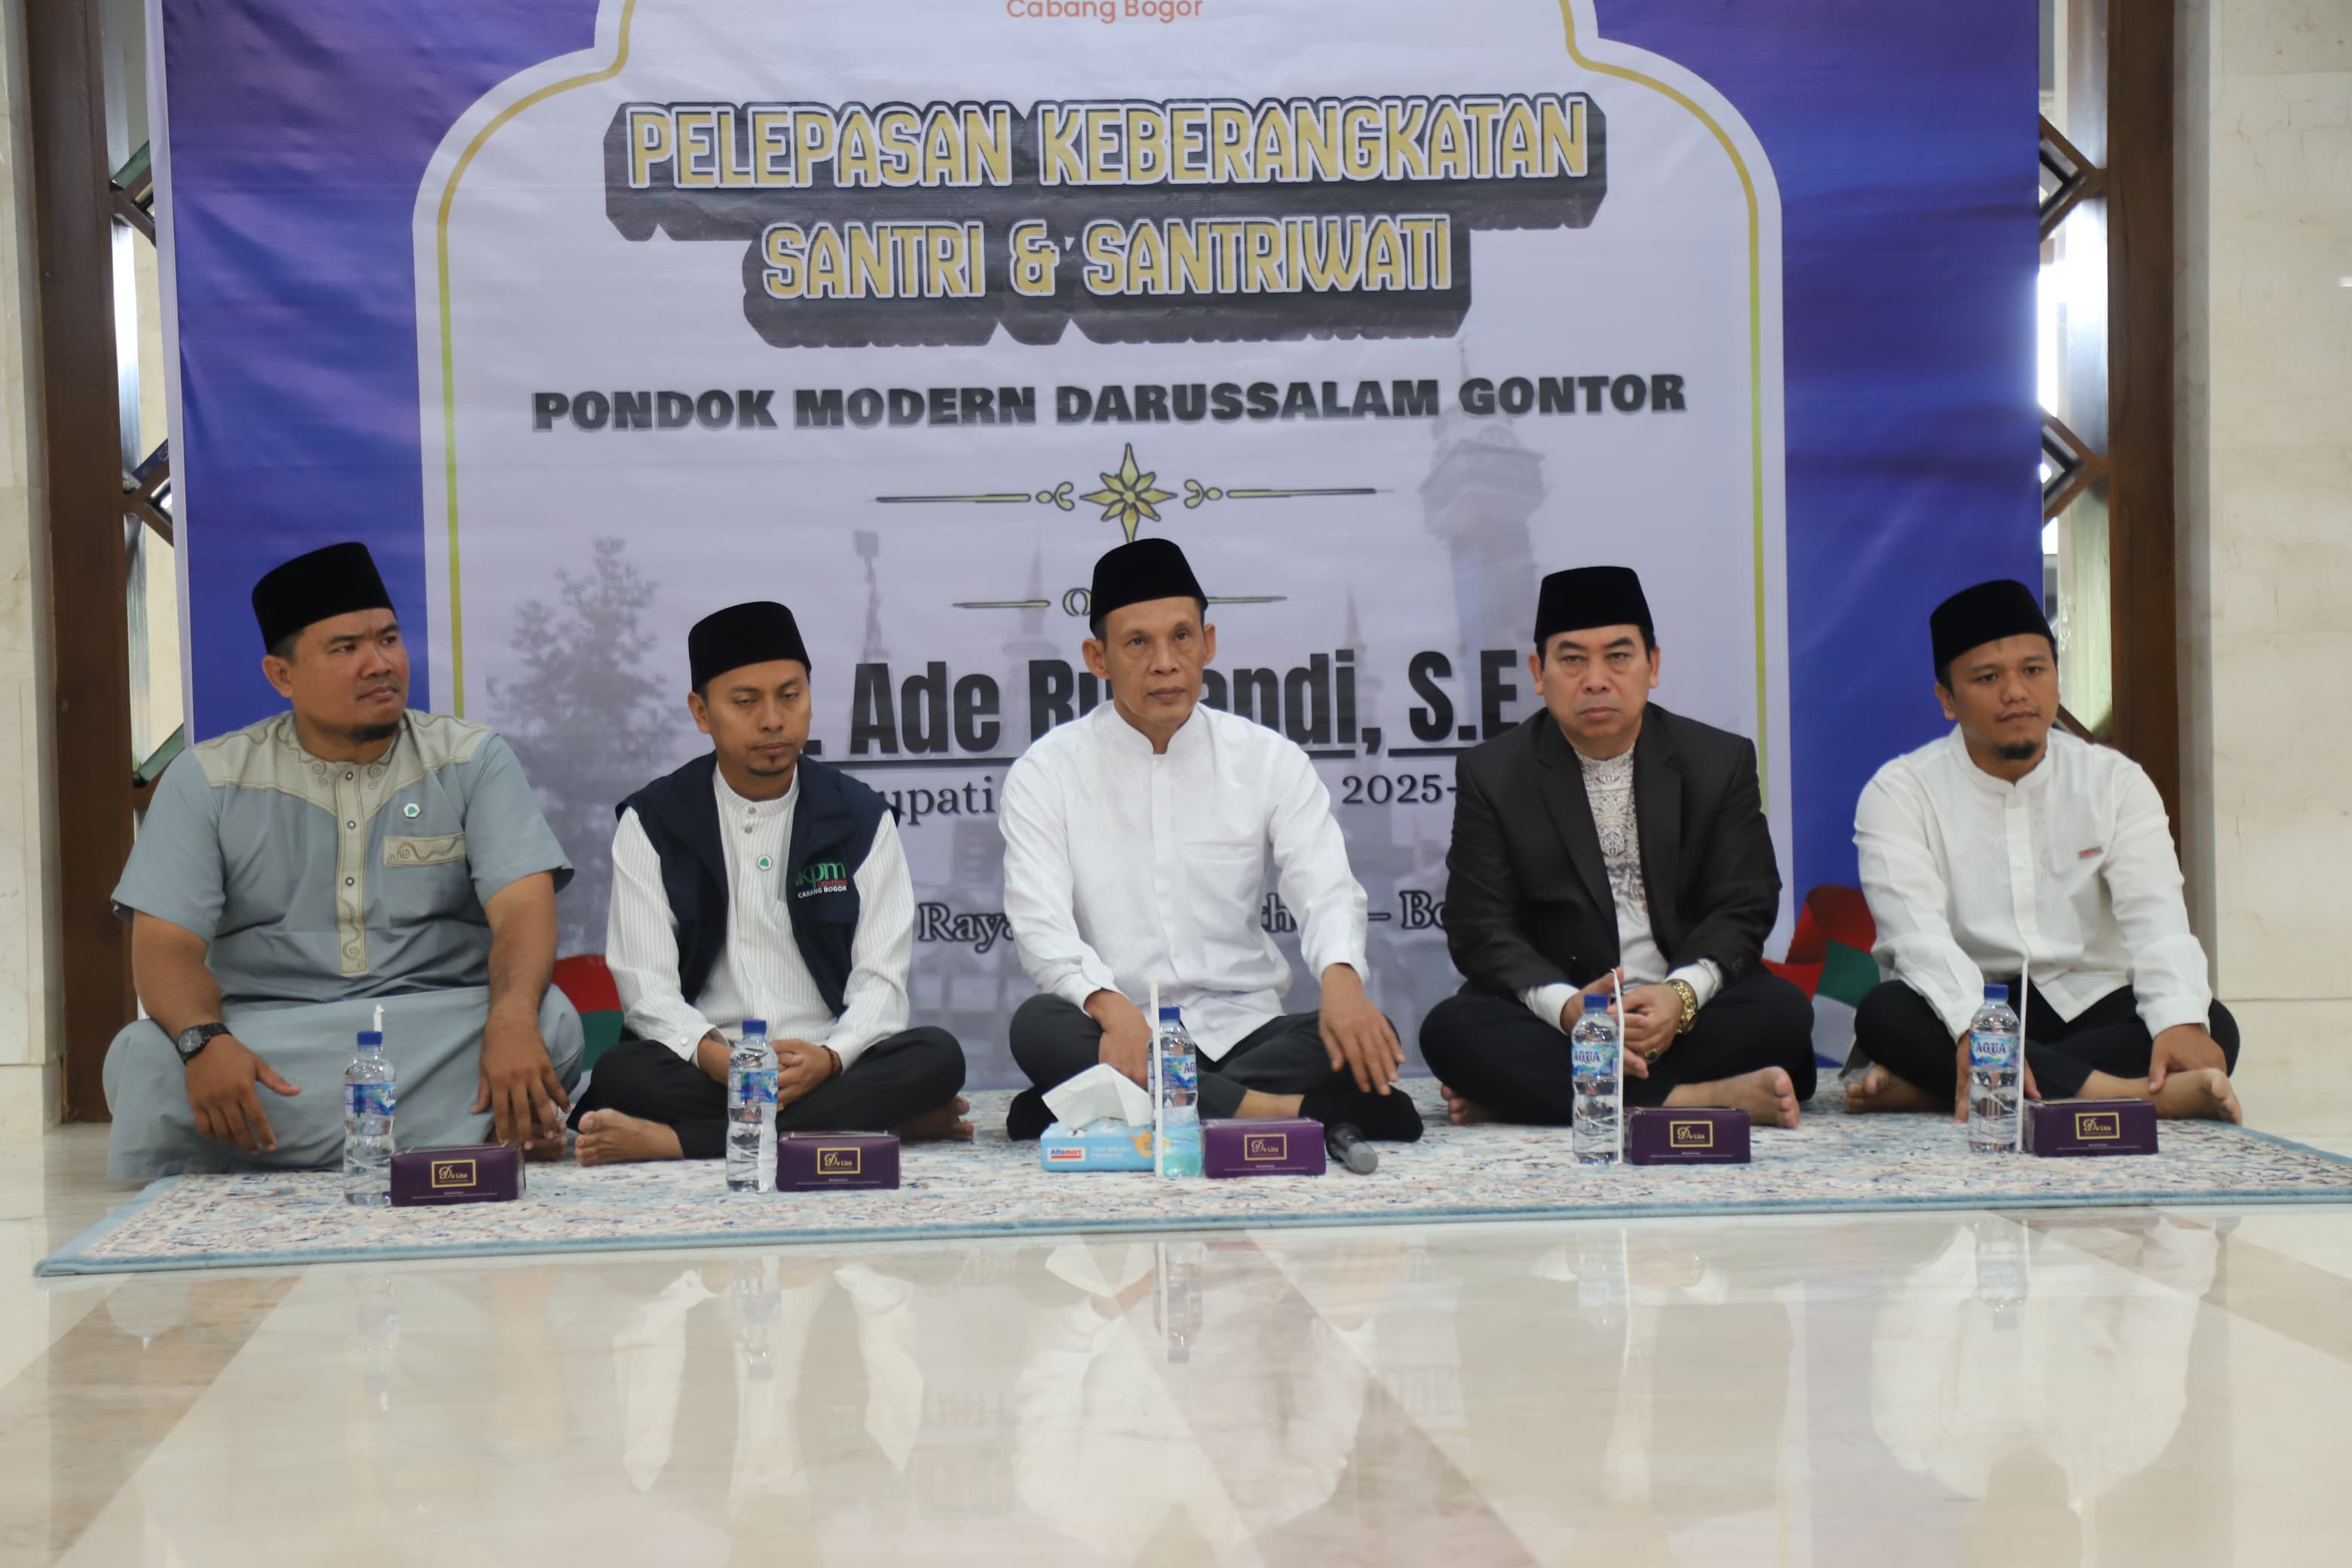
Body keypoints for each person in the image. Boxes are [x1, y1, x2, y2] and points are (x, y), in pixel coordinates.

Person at [105, 541, 583, 1178]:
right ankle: (467, 1132)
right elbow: (165, 947)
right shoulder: (209, 779)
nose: (379, 664)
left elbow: (523, 911)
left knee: (550, 1021)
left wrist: (512, 1020)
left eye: (388, 640)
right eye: (345, 649)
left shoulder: (470, 760)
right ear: (282, 676)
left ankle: (263, 1150)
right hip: (271, 1037)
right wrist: (204, 1041)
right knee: (146, 1057)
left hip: (436, 1025)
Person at [997, 537, 1423, 1144]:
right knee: (1040, 1025)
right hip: (1123, 1031)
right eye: (1137, 643)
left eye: (1181, 637)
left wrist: (1342, 978)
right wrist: (1113, 1010)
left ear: (1209, 644)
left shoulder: (1268, 759)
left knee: (1363, 1031)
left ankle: (1119, 1106)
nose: (1165, 663)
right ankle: (1274, 1112)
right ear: (1098, 657)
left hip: (1248, 1032)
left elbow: (1324, 886)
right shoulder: (1047, 772)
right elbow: (1041, 928)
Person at [569, 600, 969, 1162]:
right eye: (745, 701)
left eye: (789, 695)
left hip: (825, 1061)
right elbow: (647, 990)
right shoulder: (654, 821)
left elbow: (881, 984)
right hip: (709, 1064)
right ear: (701, 712)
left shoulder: (860, 817)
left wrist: (830, 1058)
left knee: (936, 1056)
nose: (773, 720)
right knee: (621, 1070)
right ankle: (874, 1119)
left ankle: (677, 1141)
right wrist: (723, 1060)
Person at [1418, 565, 1816, 1128]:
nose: (1596, 680)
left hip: (1683, 1010)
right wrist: (1570, 1010)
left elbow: (1744, 904)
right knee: (1452, 1032)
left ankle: (1547, 1094)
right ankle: (1693, 1098)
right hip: (1565, 1013)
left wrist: (1680, 998)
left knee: (1782, 1013)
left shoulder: (1718, 761)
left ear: (1653, 665)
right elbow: (1480, 927)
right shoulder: (1493, 774)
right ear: (1538, 673)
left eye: (1618, 657)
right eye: (1572, 660)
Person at [1845, 578, 2241, 1122]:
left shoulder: (2114, 782)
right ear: (1947, 699)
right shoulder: (1900, 792)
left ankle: (1946, 1088)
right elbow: (1918, 940)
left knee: (2211, 1023)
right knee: (1885, 1015)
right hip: (1974, 1002)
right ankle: (2128, 1094)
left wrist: (2179, 1022)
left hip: (2089, 1001)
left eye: (2034, 670)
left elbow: (2158, 918)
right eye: (1988, 678)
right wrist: (1975, 1029)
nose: (2016, 692)